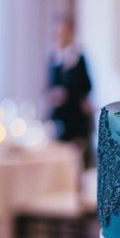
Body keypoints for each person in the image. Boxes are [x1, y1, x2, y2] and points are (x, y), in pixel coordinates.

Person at [47, 13, 94, 162]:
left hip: (76, 113)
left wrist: (68, 94)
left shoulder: (78, 56)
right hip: (60, 113)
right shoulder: (53, 56)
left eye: (64, 31)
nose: (60, 35)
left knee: (77, 156)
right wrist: (53, 94)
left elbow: (88, 85)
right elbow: (50, 84)